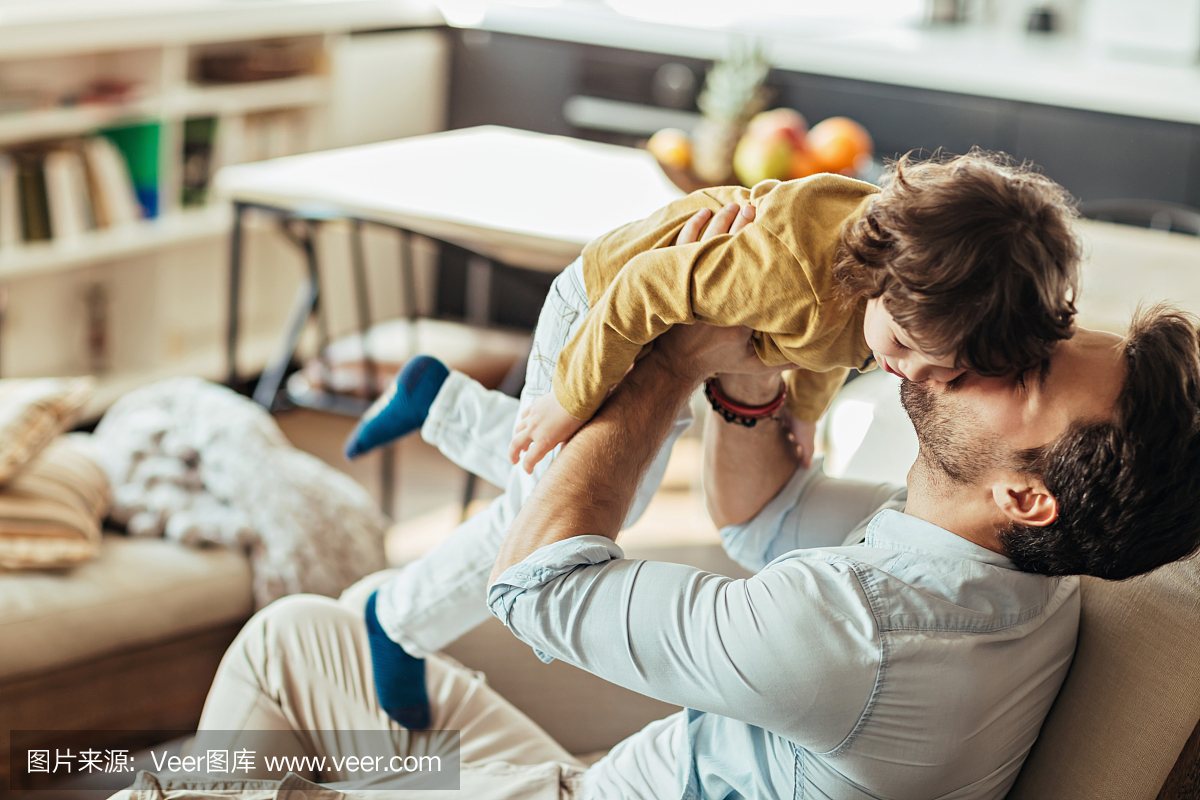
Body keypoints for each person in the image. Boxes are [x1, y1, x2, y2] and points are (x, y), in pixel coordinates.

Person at [189, 211, 1200, 799]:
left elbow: (532, 584)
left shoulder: (858, 632)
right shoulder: (1016, 578)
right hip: (589, 778)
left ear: (1025, 493)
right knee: (313, 662)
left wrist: (673, 355)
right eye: (1047, 332)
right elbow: (760, 514)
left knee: (284, 646)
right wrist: (747, 363)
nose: (994, 339)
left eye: (1026, 370)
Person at [343, 153, 1083, 728]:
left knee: (581, 485)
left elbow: (837, 348)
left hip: (672, 322)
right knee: (547, 508)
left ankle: (436, 401)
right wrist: (569, 402)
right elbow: (640, 292)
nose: (918, 377)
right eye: (912, 350)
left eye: (950, 371)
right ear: (883, 281)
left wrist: (806, 413)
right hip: (604, 312)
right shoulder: (787, 274)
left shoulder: (894, 308)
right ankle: (396, 620)